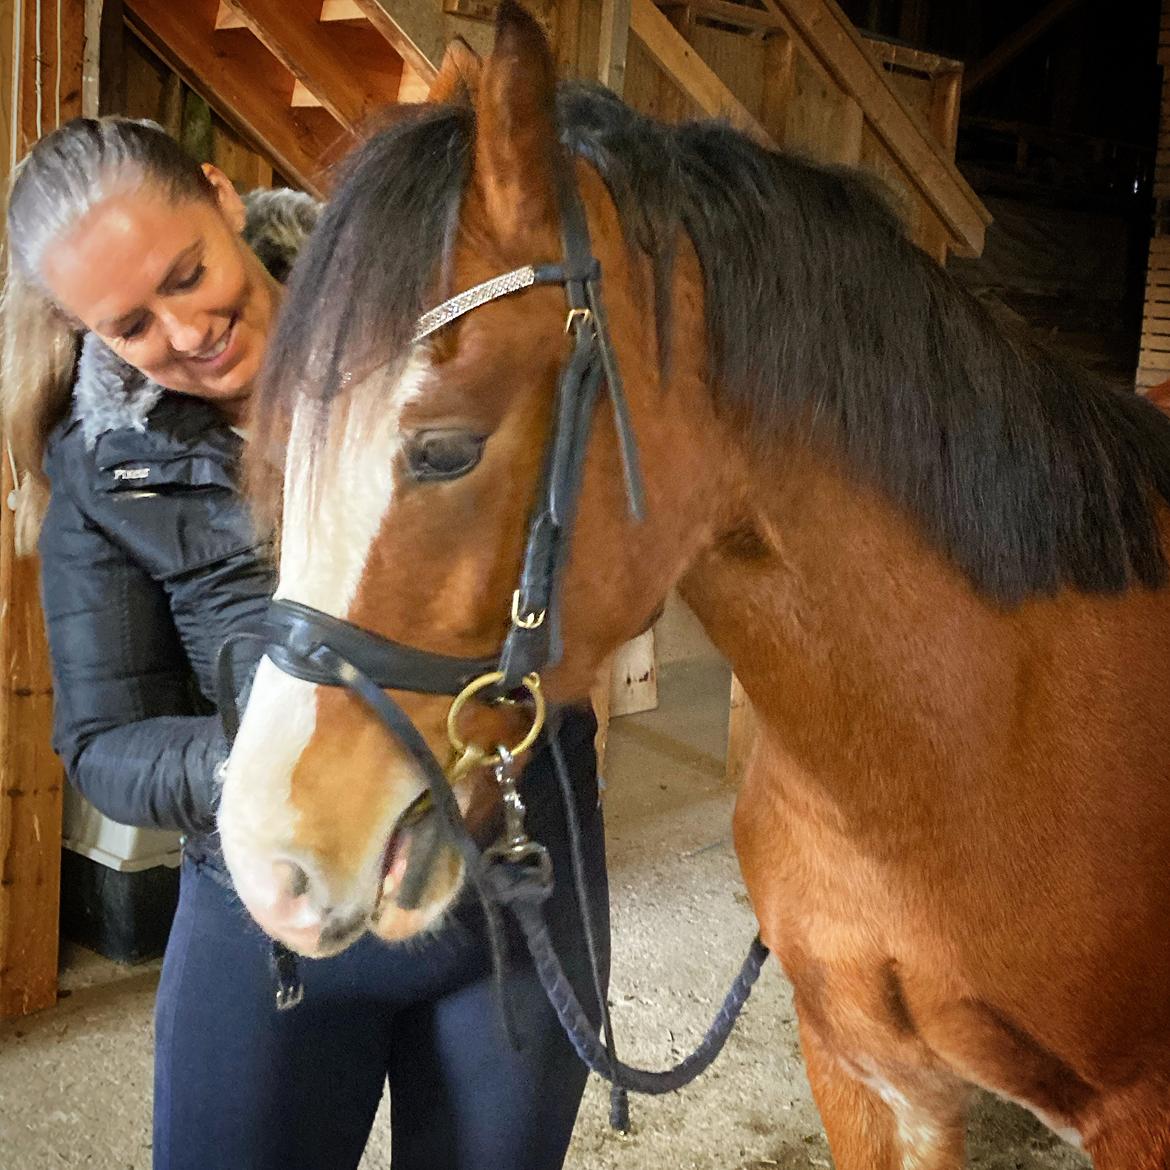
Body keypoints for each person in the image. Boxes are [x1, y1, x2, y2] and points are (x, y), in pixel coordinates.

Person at [2, 116, 609, 1170]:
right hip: (279, 903)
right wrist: (292, 758)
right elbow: (102, 744)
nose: (188, 329)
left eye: (189, 274)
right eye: (133, 326)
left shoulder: (436, 344)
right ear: (83, 329)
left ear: (222, 195)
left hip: (513, 878)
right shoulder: (105, 470)